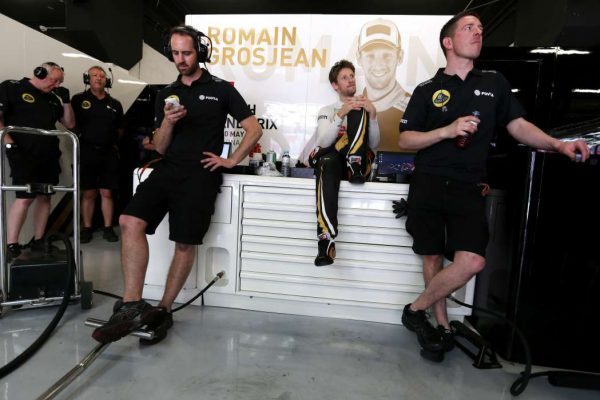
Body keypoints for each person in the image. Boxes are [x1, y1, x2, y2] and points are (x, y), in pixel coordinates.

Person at [398, 11, 590, 360]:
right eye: (468, 28)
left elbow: (519, 126)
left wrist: (558, 144)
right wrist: (447, 130)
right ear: (448, 42)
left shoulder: (494, 83)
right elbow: (406, 139)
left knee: (471, 261)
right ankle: (441, 326)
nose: (478, 33)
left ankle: (415, 310)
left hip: (468, 185)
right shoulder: (427, 90)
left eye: (480, 29)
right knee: (432, 255)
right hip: (428, 181)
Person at [92, 25, 262, 344]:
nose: (181, 59)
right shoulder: (166, 93)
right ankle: (131, 305)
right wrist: (168, 123)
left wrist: (230, 160)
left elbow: (253, 129)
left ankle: (163, 309)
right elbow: (159, 146)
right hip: (168, 168)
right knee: (129, 221)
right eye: (175, 53)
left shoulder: (222, 89)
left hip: (200, 174)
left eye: (187, 53)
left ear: (200, 52)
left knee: (184, 242)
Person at [0, 62, 75, 259]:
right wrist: (10, 144)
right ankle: (11, 244)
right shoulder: (12, 88)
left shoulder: (53, 99)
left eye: (60, 82)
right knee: (25, 197)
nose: (57, 85)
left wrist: (66, 101)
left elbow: (70, 124)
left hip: (48, 153)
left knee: (45, 196)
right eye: (54, 80)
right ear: (40, 73)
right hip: (22, 152)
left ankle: (39, 240)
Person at [310, 60, 380, 266]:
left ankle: (354, 162)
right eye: (344, 77)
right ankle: (325, 241)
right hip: (335, 165)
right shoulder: (327, 110)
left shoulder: (365, 107)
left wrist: (373, 115)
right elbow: (323, 142)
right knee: (326, 160)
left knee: (358, 109)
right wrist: (341, 113)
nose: (350, 80)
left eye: (352, 76)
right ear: (335, 85)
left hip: (360, 168)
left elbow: (374, 144)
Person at [71, 66, 124, 244]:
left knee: (107, 192)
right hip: (86, 152)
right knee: (89, 193)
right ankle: (87, 228)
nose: (98, 78)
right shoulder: (78, 99)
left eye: (102, 75)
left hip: (108, 153)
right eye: (94, 75)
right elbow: (70, 123)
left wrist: (111, 140)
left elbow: (120, 128)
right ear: (88, 79)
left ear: (106, 80)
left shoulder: (115, 103)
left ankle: (108, 228)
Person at [357, 18, 411, 152]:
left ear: (400, 56)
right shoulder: (352, 107)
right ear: (358, 58)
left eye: (387, 55)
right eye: (370, 56)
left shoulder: (414, 107)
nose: (379, 64)